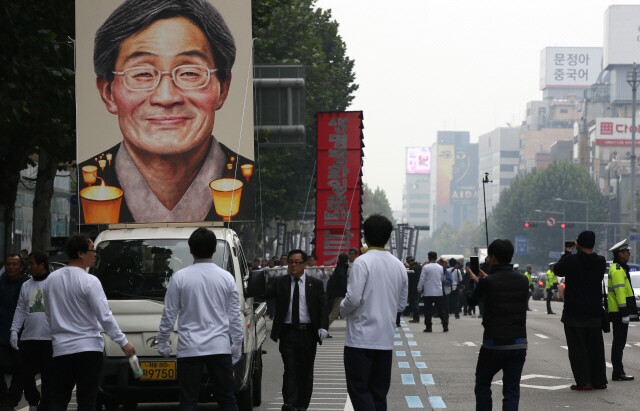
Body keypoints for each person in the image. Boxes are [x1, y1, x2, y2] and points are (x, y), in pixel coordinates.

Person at [79, 0, 254, 223]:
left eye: (190, 73)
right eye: (142, 74)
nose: (166, 97)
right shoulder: (84, 182)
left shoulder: (250, 182)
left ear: (223, 89)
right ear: (108, 93)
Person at [44, 234, 136, 410]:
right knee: (87, 401)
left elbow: (48, 314)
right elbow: (104, 316)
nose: (95, 253)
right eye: (92, 249)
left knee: (58, 400)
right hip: (88, 349)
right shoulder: (90, 281)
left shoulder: (51, 280)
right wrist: (123, 342)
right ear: (80, 253)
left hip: (61, 350)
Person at [157, 227, 243, 410]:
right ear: (214, 250)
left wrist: (163, 341)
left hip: (189, 349)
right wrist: (237, 343)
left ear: (190, 250)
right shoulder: (226, 278)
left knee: (188, 400)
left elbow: (169, 314)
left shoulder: (179, 278)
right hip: (219, 347)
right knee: (227, 398)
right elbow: (234, 315)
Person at [341, 215, 408, 411]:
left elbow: (352, 299)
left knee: (359, 390)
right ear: (388, 237)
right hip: (385, 339)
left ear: (365, 236)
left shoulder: (362, 263)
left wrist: (343, 311)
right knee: (379, 392)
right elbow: (401, 305)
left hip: (359, 339)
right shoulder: (399, 266)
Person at [467, 239, 528, 411]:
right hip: (518, 343)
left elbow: (472, 301)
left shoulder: (487, 282)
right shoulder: (523, 280)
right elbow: (504, 287)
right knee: (512, 389)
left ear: (493, 258)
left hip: (493, 345)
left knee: (483, 383)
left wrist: (475, 280)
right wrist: (487, 280)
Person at [265, 249, 328, 411]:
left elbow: (322, 308)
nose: (293, 265)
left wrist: (323, 327)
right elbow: (265, 294)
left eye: (298, 262)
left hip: (308, 333)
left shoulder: (315, 284)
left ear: (305, 265)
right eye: (291, 261)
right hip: (287, 333)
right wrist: (253, 281)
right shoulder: (280, 282)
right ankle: (289, 402)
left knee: (306, 371)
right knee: (290, 368)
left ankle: (302, 405)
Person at [553, 231, 607, 390]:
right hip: (594, 312)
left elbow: (558, 270)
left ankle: (584, 382)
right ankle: (600, 380)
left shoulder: (571, 260)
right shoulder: (600, 261)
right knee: (596, 348)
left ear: (579, 243)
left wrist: (566, 253)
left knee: (578, 349)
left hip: (574, 313)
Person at [10, 251, 54, 410]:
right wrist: (14, 330)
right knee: (26, 375)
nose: (28, 267)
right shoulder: (26, 285)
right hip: (29, 338)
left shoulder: (54, 282)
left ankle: (45, 406)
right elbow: (20, 309)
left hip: (50, 339)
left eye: (31, 264)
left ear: (42, 265)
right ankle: (33, 402)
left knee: (49, 377)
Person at [0, 254, 29, 411]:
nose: (11, 267)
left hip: (22, 335)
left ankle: (11, 400)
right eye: (8, 264)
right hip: (2, 334)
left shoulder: (27, 284)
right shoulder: (0, 283)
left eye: (14, 264)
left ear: (21, 267)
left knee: (21, 371)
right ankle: (3, 398)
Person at [607, 238, 638, 382]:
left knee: (618, 343)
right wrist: (624, 313)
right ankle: (618, 372)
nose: (629, 254)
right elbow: (620, 293)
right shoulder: (618, 270)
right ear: (620, 254)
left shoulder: (617, 268)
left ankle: (618, 372)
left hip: (617, 312)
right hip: (619, 313)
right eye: (626, 252)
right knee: (619, 343)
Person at [417, 252, 448, 332]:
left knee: (428, 311)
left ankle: (428, 327)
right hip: (438, 292)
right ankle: (445, 325)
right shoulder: (440, 267)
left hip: (428, 292)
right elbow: (442, 279)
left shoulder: (425, 267)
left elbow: (422, 279)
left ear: (428, 258)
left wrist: (419, 289)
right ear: (436, 258)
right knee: (441, 310)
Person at [326, 253, 349, 326]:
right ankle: (324, 328)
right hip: (340, 294)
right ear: (346, 261)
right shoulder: (342, 270)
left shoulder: (338, 268)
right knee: (335, 312)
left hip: (335, 293)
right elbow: (343, 283)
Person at [406, 257, 422, 323]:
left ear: (410, 261)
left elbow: (409, 278)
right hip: (417, 286)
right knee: (415, 302)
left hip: (412, 287)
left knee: (414, 303)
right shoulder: (418, 266)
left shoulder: (413, 268)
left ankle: (416, 318)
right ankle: (416, 317)